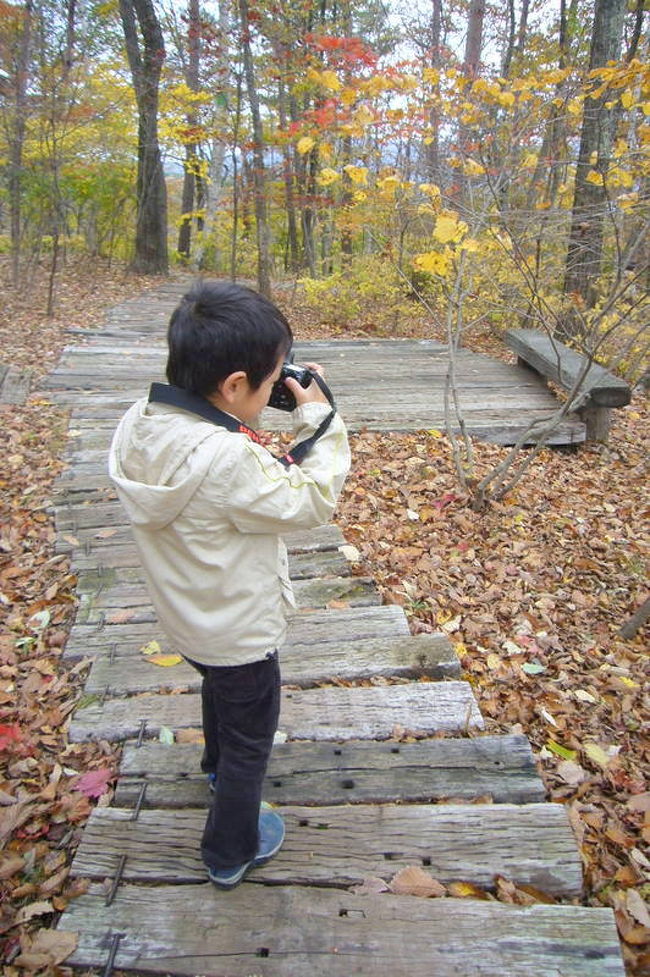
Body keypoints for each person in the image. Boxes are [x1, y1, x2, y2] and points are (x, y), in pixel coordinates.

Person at [108, 280, 350, 888]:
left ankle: (214, 766)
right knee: (251, 739)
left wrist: (271, 385)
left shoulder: (142, 418)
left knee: (220, 692)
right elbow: (311, 499)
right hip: (240, 630)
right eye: (269, 384)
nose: (275, 393)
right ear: (235, 384)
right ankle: (229, 848)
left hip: (188, 617)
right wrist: (317, 414)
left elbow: (218, 435)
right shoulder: (227, 460)